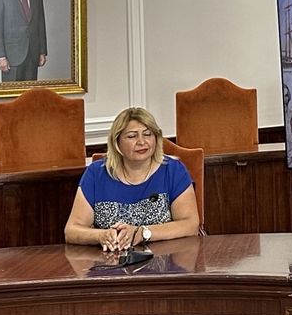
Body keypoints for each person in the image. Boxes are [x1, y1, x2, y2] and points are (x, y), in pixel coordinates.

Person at [65, 106, 200, 251]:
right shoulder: (96, 174)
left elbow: (190, 224)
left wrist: (142, 233)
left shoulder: (173, 170)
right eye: (132, 136)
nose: (142, 142)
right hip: (110, 263)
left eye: (148, 134)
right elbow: (72, 231)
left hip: (164, 261)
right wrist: (100, 235)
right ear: (117, 143)